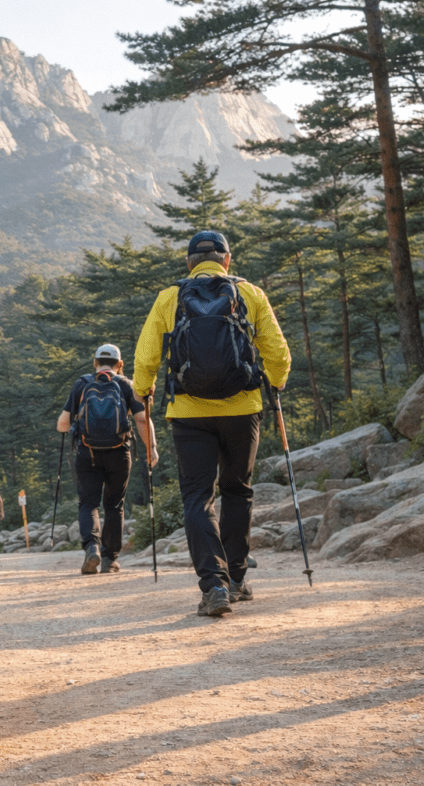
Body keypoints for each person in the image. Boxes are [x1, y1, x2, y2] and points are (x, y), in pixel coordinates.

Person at [133, 231, 291, 617]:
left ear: (189, 263)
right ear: (227, 260)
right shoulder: (250, 293)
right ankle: (236, 579)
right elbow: (277, 351)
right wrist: (276, 381)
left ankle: (214, 586)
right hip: (243, 409)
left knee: (197, 497)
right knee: (238, 490)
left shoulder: (170, 297)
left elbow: (146, 355)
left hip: (189, 414)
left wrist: (143, 388)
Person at [56, 344, 156, 575]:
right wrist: (152, 449)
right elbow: (142, 419)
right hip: (119, 453)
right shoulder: (126, 384)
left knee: (88, 503)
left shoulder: (82, 384)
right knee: (114, 505)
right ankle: (109, 559)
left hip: (87, 453)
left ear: (95, 363)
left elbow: (62, 424)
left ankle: (92, 547)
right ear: (120, 364)